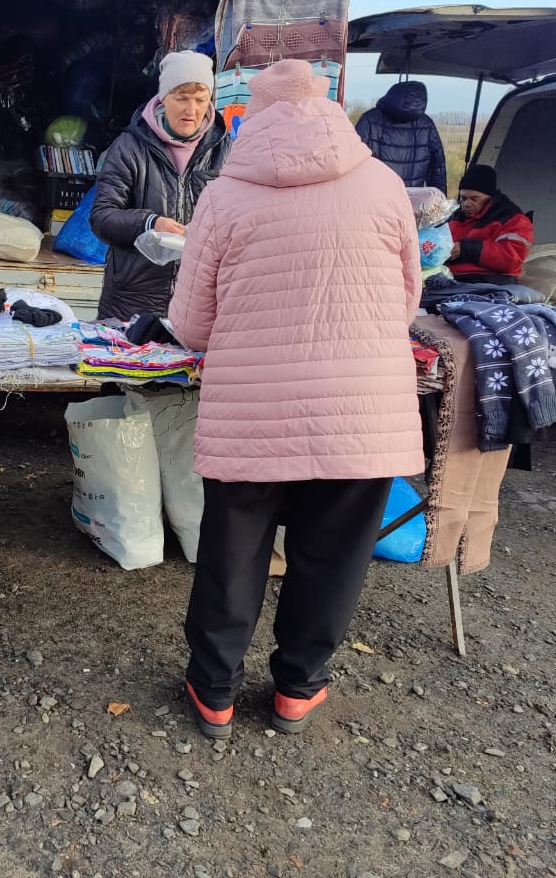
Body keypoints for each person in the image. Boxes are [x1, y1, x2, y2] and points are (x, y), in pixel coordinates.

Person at [167, 58, 424, 739]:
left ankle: (214, 693)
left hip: (254, 413)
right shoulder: (384, 184)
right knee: (333, 555)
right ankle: (296, 691)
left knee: (233, 554)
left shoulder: (226, 195)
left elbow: (192, 326)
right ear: (332, 110)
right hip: (363, 409)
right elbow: (405, 300)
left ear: (254, 118)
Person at [90, 50, 231, 321]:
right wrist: (150, 223)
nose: (192, 110)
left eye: (201, 99)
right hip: (131, 303)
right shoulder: (129, 148)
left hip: (199, 304)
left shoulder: (226, 150)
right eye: (182, 98)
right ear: (164, 98)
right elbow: (102, 216)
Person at [447, 164, 535, 284]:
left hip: (489, 282)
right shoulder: (455, 215)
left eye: (474, 199)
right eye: (463, 198)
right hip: (450, 279)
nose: (466, 204)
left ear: (489, 197)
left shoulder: (513, 218)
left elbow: (511, 259)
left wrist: (466, 248)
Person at [354, 80, 447, 192]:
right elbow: (437, 169)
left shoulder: (368, 119)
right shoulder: (427, 124)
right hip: (411, 201)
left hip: (374, 198)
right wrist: (440, 200)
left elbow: (353, 161)